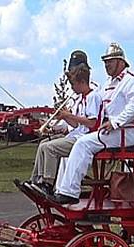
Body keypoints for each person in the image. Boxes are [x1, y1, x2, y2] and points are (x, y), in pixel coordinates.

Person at [49, 42, 134, 204]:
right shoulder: (108, 84)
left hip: (126, 132)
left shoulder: (132, 81)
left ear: (121, 62)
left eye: (110, 61)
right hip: (109, 131)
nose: (106, 65)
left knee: (82, 143)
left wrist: (114, 123)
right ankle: (59, 189)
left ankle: (70, 192)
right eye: (105, 61)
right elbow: (96, 105)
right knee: (75, 145)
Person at [28, 51, 101, 195]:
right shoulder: (80, 99)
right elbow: (75, 125)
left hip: (84, 139)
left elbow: (92, 123)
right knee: (43, 144)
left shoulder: (93, 96)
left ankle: (48, 183)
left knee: (50, 148)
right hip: (75, 134)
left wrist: (70, 115)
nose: (72, 88)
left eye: (73, 84)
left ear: (81, 82)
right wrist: (65, 117)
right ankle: (35, 180)